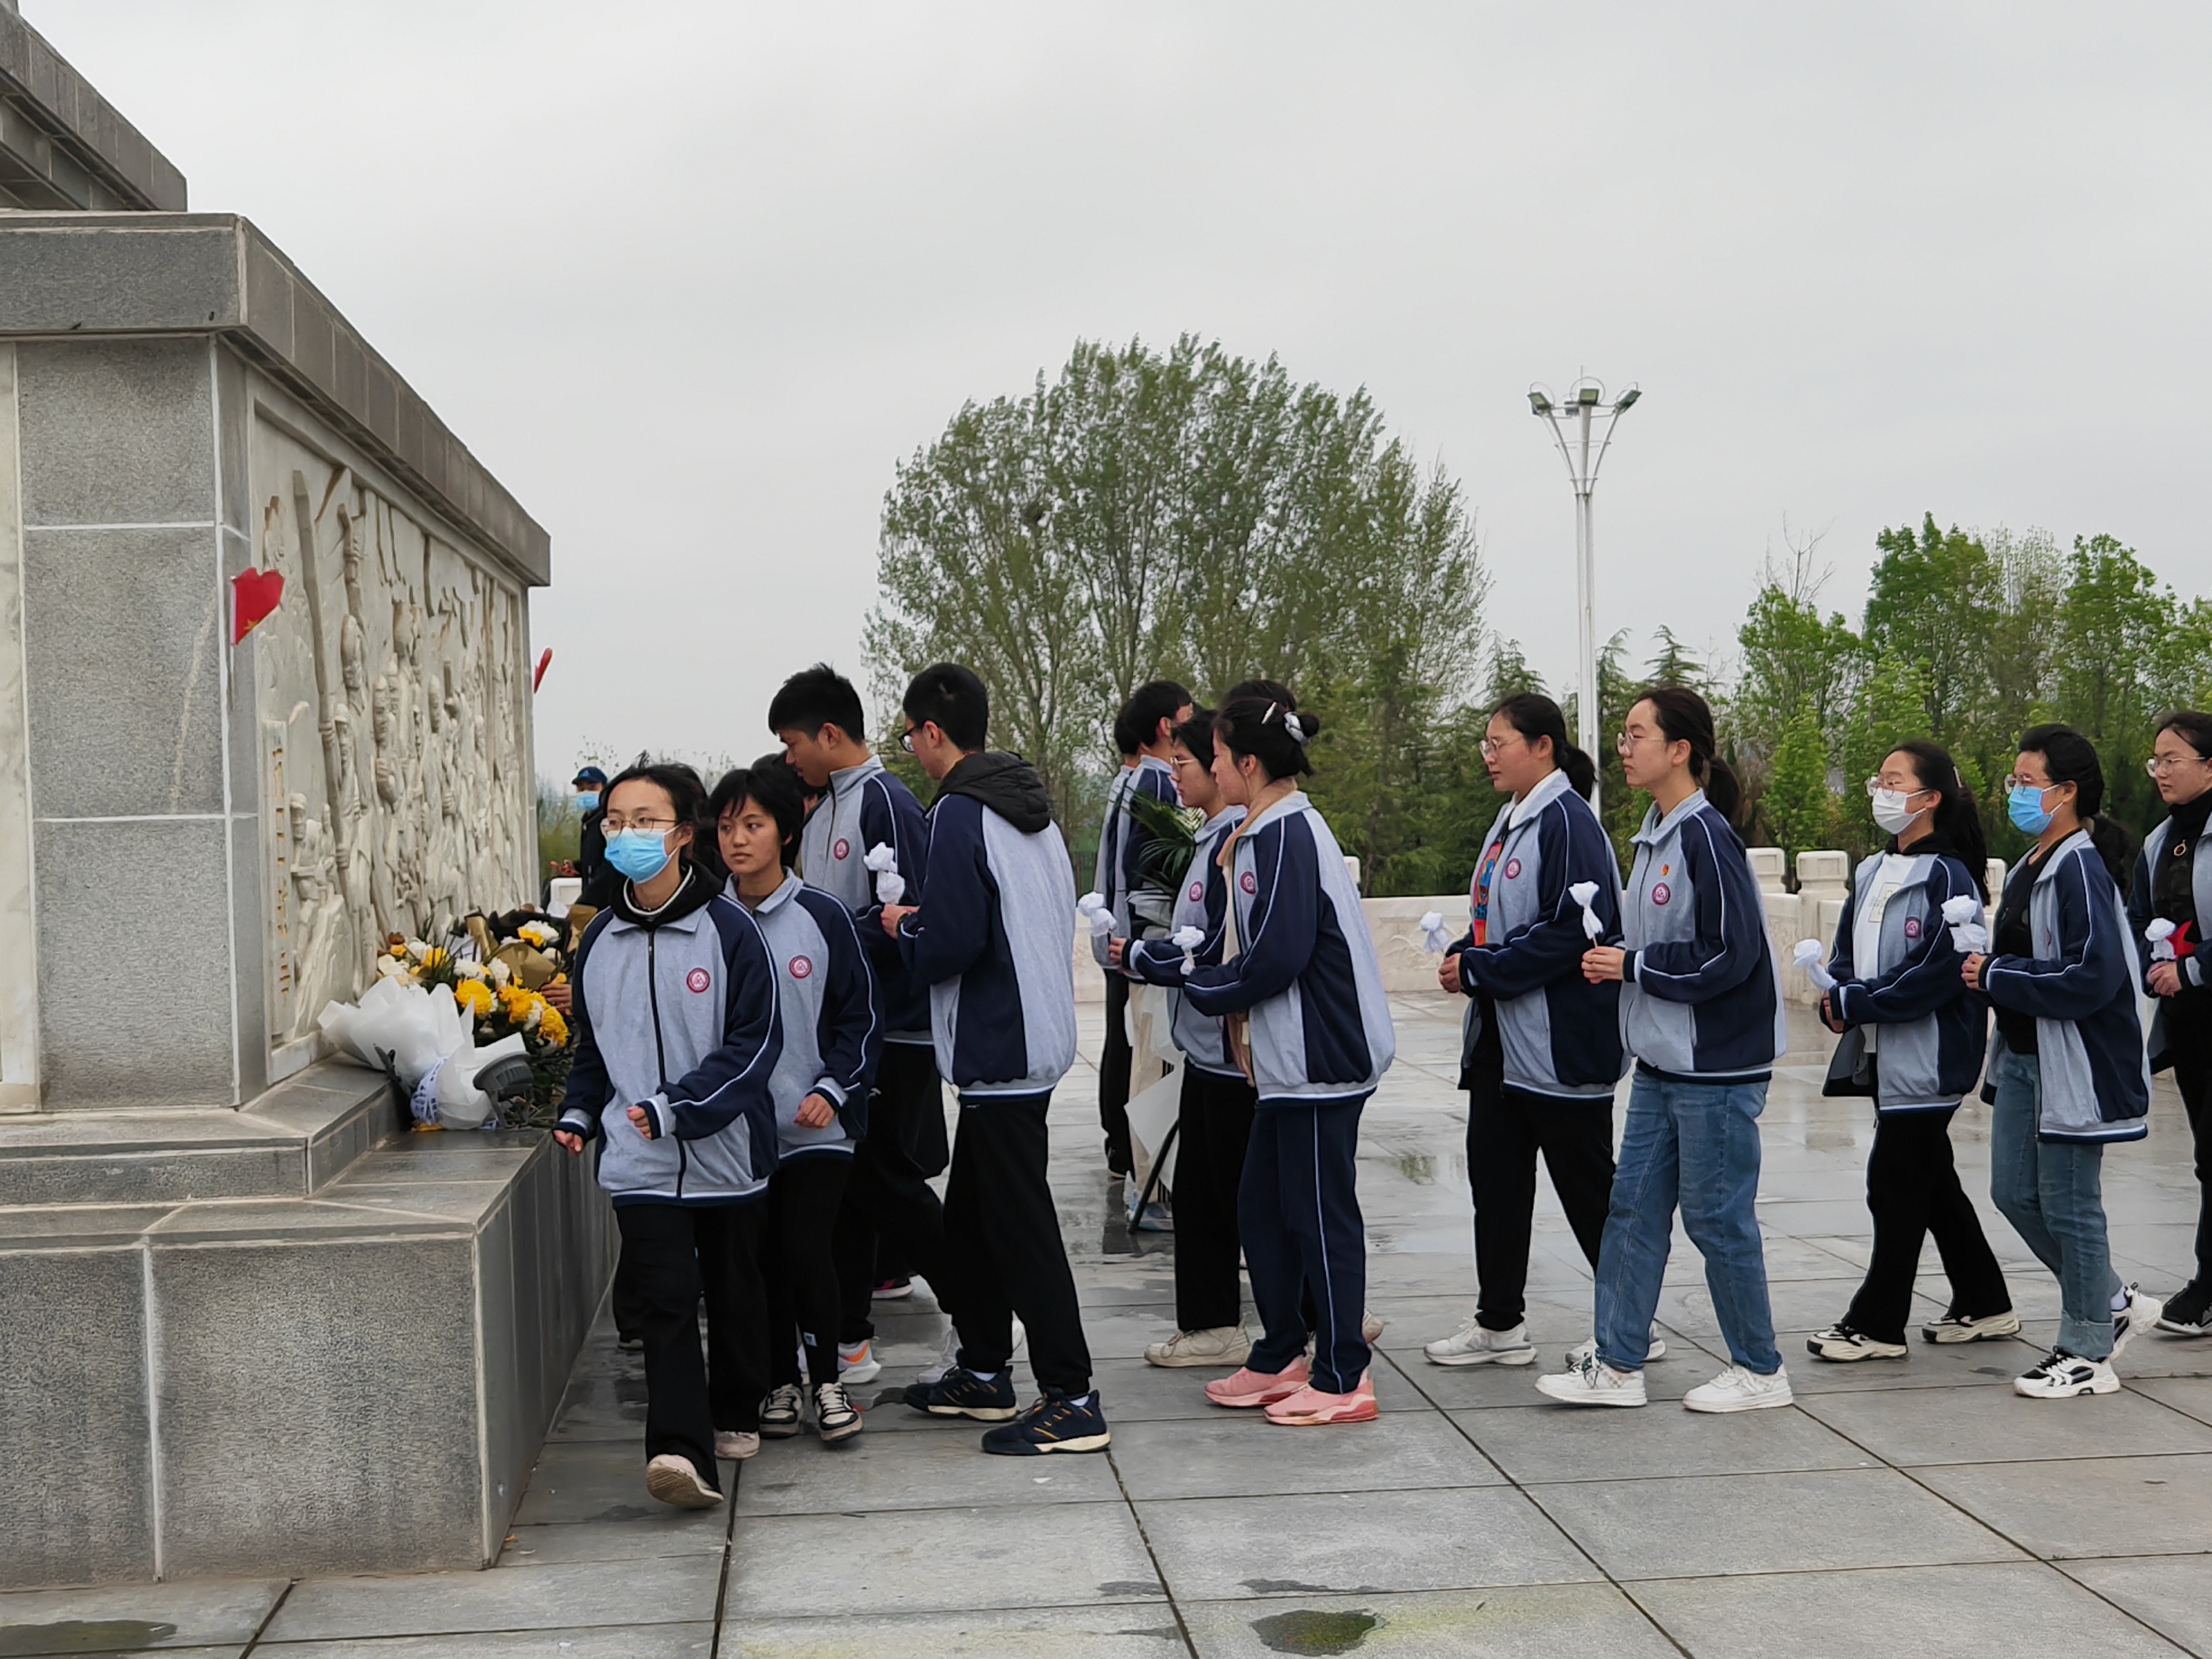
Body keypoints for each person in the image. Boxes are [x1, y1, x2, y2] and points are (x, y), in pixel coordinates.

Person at [1137, 682, 1395, 1427]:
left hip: (1321, 1058)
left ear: (1247, 763)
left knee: (1319, 1216)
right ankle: (1282, 1350)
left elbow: (1277, 957)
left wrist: (1198, 985)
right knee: (1262, 1205)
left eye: (1216, 756)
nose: (1210, 768)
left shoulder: (1285, 833)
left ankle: (1344, 1373)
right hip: (1288, 1064)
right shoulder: (1262, 830)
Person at [1537, 686, 1792, 1413]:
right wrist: (1623, 957)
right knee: (1632, 1211)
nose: (1623, 748)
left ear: (1680, 750)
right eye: (1623, 735)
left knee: (1717, 1219)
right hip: (1661, 1062)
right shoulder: (1655, 835)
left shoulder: (1705, 836)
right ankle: (1618, 1363)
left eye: (1637, 734)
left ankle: (1760, 1369)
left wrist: (1634, 966)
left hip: (1716, 1067)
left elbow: (1732, 954)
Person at [880, 664, 1108, 1455]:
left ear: (932, 732)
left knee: (1020, 1228)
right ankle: (981, 1368)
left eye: (911, 736)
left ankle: (1073, 1397)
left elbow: (953, 940)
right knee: (973, 1221)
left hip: (997, 1043)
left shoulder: (958, 812)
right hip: (1031, 1033)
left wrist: (903, 926)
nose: (912, 750)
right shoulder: (1029, 807)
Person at [552, 763, 784, 1507]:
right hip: (639, 1158)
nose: (627, 834)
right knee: (666, 1300)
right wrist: (579, 1114)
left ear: (684, 834)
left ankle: (737, 1405)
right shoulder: (599, 940)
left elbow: (754, 1045)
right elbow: (595, 1049)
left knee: (735, 1289)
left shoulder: (731, 930)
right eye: (616, 821)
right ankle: (679, 1453)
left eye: (645, 821)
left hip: (726, 1155)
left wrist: (681, 1106)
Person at [1426, 693, 1627, 1369]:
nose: (1488, 756)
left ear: (1542, 746)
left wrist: (1480, 967)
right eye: (1485, 744)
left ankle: (1631, 1322)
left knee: (1589, 1192)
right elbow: (1500, 921)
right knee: (1497, 1185)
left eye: (1499, 743)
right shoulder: (1511, 819)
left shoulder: (1568, 822)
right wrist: (1467, 952)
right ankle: (1499, 1322)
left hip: (1557, 1043)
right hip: (1500, 1042)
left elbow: (1571, 931)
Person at [1963, 724, 2159, 1397]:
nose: (2015, 793)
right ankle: (2110, 1299)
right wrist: (1990, 971)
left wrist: (1996, 976)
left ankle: (2087, 1350)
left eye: (2028, 782)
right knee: (2013, 1194)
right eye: (2013, 781)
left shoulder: (2079, 866)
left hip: (2071, 1063)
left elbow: (2091, 978)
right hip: (2024, 1055)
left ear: (2067, 791)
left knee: (2071, 1206)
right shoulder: (2031, 864)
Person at [1805, 742, 2016, 1361]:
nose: (1881, 790)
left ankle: (1877, 1324)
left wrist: (1860, 1001)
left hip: (1931, 1055)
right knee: (1931, 1182)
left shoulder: (1949, 876)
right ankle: (1985, 1301)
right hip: (1884, 1051)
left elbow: (1939, 970)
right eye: (1879, 779)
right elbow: (1845, 951)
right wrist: (1836, 992)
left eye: (1894, 781)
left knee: (1893, 1183)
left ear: (1930, 799)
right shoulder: (1872, 868)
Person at [768, 666, 945, 1384]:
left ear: (830, 734)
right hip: (843, 1036)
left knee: (887, 1186)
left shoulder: (884, 801)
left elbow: (912, 914)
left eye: (792, 743)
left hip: (892, 1031)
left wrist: (831, 941)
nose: (789, 759)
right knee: (848, 1195)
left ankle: (982, 1305)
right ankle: (848, 1343)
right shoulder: (822, 811)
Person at [713, 760, 881, 1446]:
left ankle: (830, 1383)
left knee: (806, 1250)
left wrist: (831, 1089)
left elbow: (860, 1019)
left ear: (785, 832)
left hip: (817, 1125)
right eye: (727, 827)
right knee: (760, 1260)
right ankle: (779, 1382)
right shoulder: (709, 921)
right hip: (739, 1131)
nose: (737, 840)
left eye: (752, 825)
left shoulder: (823, 915)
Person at [1123, 707, 1254, 1366]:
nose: (1174, 774)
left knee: (1232, 1197)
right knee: (1207, 1195)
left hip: (1230, 1056)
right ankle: (1212, 1324)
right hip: (1207, 1052)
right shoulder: (1212, 838)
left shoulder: (1239, 841)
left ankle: (1319, 1315)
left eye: (1185, 762)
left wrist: (1148, 960)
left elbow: (1221, 951)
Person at [2130, 711, 2212, 1337]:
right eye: (2155, 761)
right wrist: (2152, 966)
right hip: (2188, 1025)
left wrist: (2191, 969)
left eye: (2172, 760)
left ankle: (2207, 1287)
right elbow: (2137, 919)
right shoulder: (2160, 841)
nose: (2160, 771)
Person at [1094, 680, 1193, 1177]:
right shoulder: (1158, 784)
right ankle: (1144, 1163)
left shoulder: (1130, 780)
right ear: (1165, 726)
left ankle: (1120, 1146)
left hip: (1120, 932)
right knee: (1147, 1056)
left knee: (1123, 1043)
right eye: (1189, 719)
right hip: (1141, 938)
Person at [572, 765, 616, 909]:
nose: (586, 793)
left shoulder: (609, 821)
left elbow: (611, 865)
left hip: (607, 902)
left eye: (592, 787)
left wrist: (587, 902)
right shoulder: (588, 821)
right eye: (581, 789)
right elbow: (594, 859)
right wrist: (577, 867)